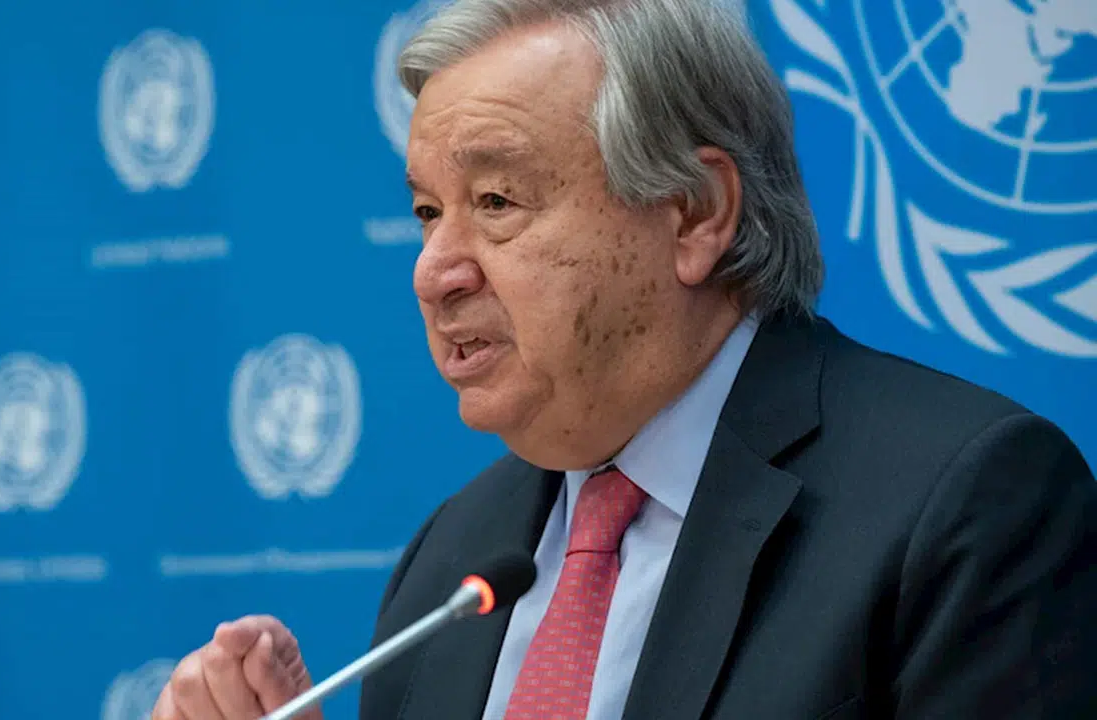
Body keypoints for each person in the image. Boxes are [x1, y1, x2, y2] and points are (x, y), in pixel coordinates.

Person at [152, 0, 1097, 718]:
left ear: (694, 213)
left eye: (496, 202)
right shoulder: (452, 557)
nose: (433, 272)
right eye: (428, 213)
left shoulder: (964, 505)